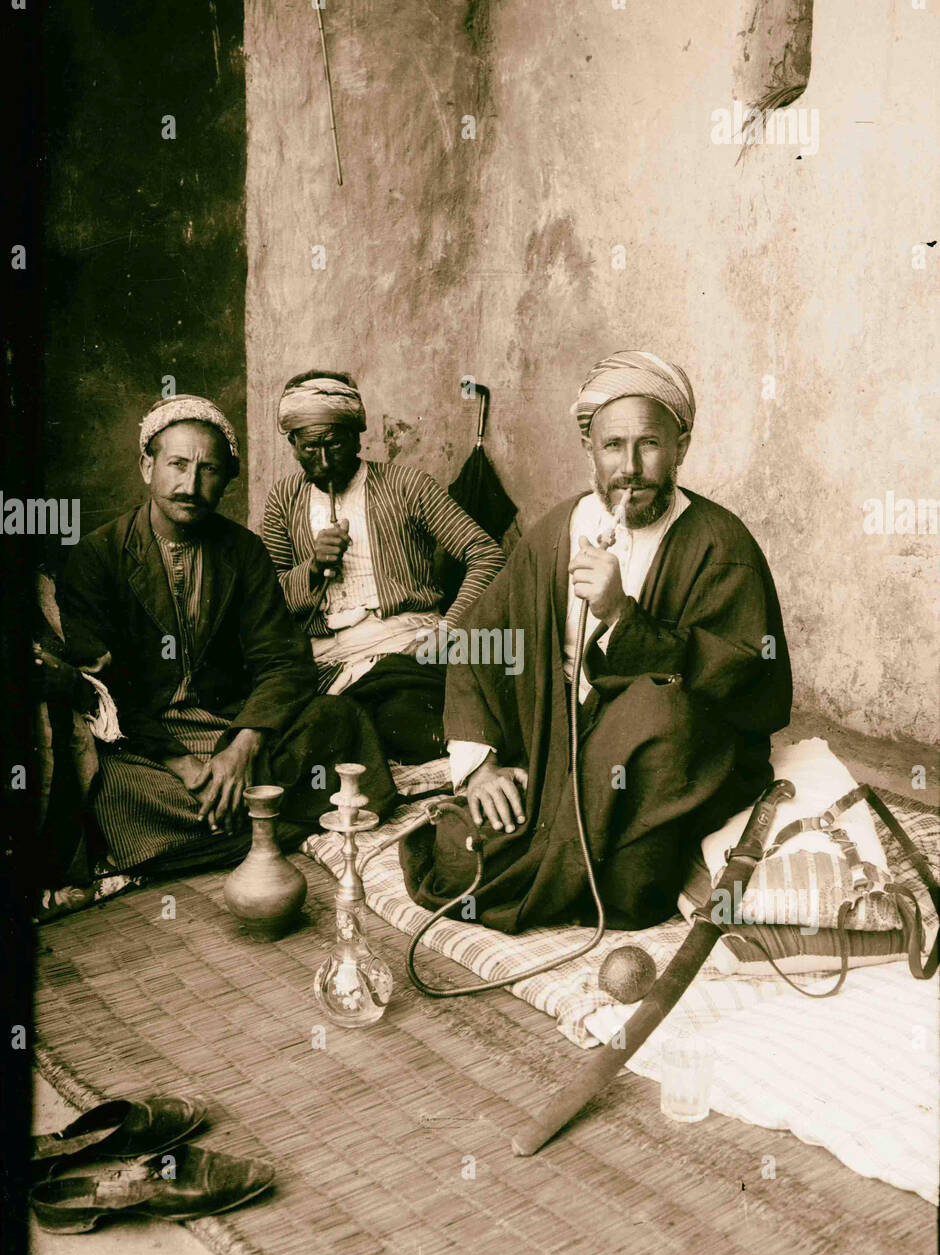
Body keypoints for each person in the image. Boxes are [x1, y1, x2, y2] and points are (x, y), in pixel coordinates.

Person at [402, 350, 793, 934]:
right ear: (590, 448)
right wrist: (482, 768)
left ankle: (614, 849)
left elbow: (742, 682)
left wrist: (622, 617)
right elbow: (481, 641)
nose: (630, 466)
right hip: (555, 751)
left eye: (650, 444)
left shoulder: (720, 542)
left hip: (663, 768)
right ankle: (575, 839)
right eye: (613, 446)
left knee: (631, 888)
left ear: (681, 447)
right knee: (458, 854)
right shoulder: (559, 530)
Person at [57, 394, 396, 874]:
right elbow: (105, 689)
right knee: (106, 781)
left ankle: (212, 831)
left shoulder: (243, 551)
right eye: (176, 464)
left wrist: (242, 747)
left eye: (209, 470)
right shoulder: (99, 555)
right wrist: (188, 769)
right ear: (146, 465)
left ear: (226, 481)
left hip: (230, 724)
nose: (190, 485)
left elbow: (281, 659)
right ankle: (269, 821)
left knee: (339, 717)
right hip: (149, 746)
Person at [261, 371, 505, 764]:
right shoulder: (283, 499)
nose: (323, 461)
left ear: (358, 434)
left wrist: (447, 630)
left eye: (335, 444)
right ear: (292, 443)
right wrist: (311, 566)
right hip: (323, 665)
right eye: (310, 448)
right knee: (298, 739)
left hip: (405, 648)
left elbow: (487, 554)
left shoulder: (408, 485)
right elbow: (268, 598)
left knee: (398, 717)